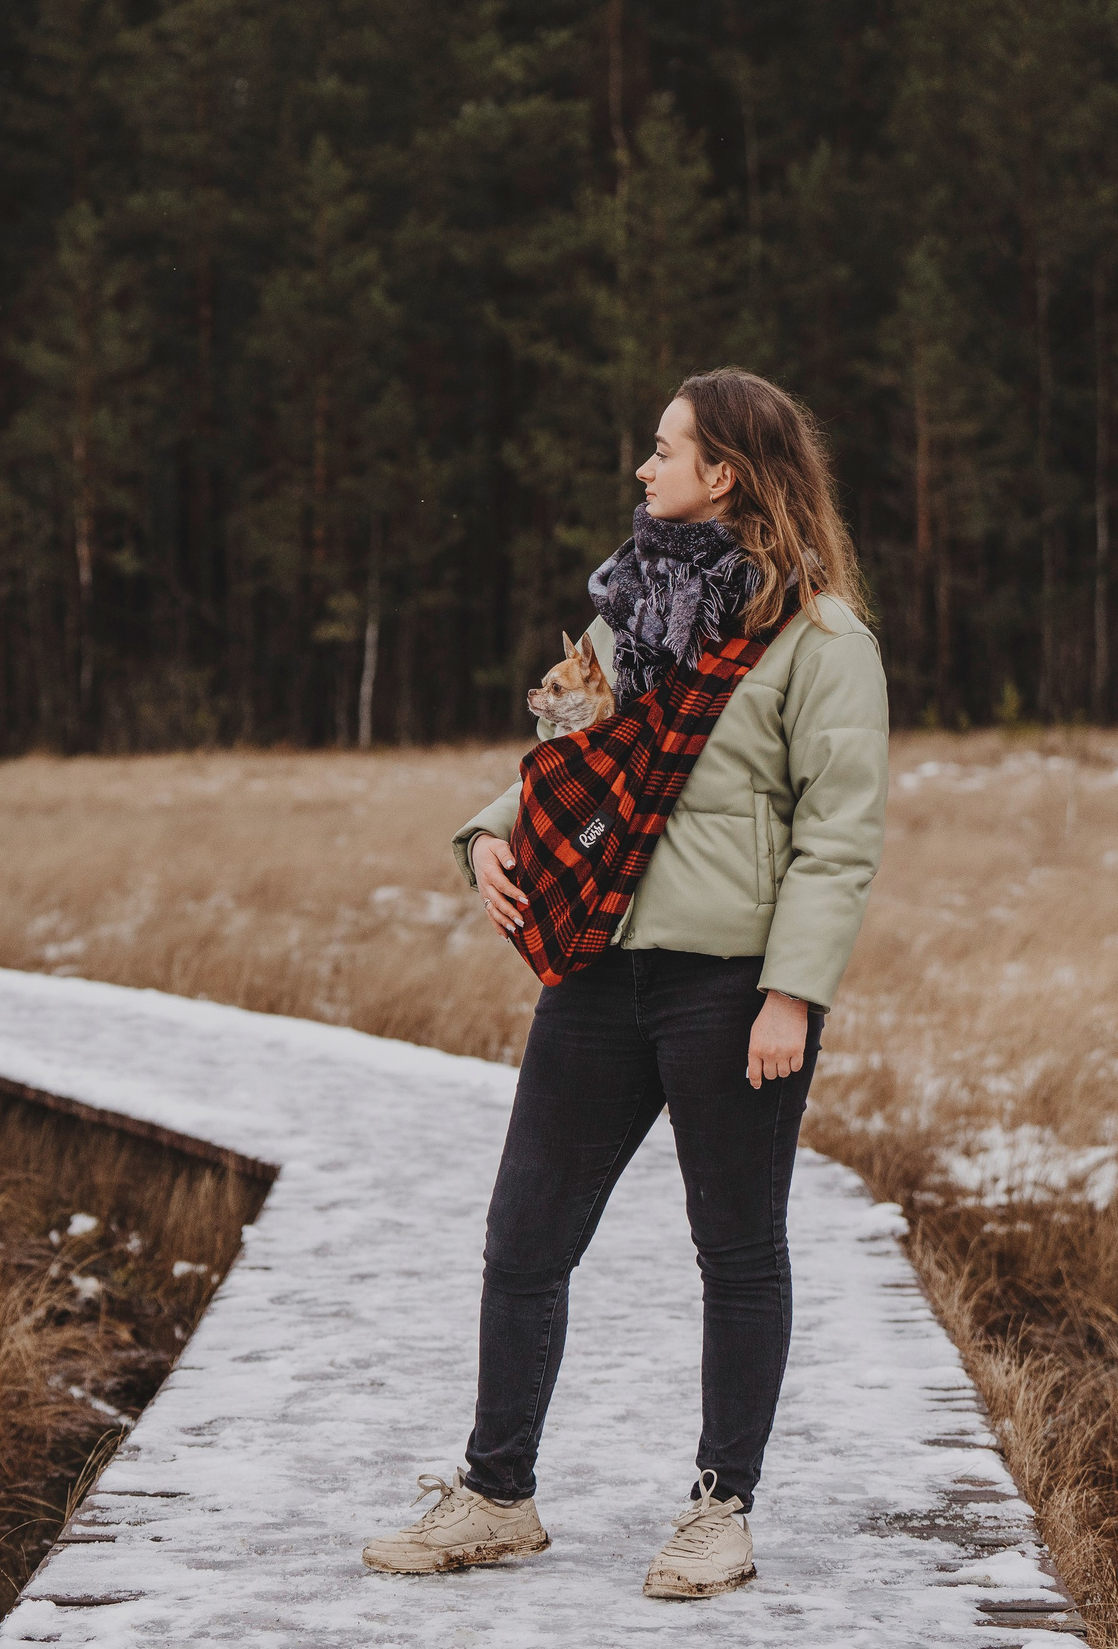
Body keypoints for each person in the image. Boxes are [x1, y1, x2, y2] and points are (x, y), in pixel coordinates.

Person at [360, 368, 889, 1599]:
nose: (642, 472)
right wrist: (488, 833)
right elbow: (566, 756)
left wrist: (791, 995)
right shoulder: (629, 620)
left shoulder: (820, 640)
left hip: (731, 988)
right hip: (598, 973)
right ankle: (497, 1496)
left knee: (737, 1250)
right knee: (523, 1236)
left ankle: (721, 1508)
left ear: (727, 475)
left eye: (664, 451)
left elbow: (840, 836)